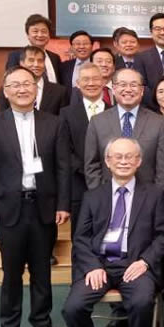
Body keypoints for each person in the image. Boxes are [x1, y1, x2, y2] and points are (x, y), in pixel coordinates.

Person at [0, 66, 69, 327]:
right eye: (15, 85)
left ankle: (41, 323)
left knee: (42, 270)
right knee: (11, 273)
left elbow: (63, 167)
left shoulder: (54, 123)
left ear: (36, 88)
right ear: (6, 92)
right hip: (8, 211)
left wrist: (63, 204)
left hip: (43, 208)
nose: (22, 89)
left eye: (27, 84)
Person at [62, 137, 164, 327]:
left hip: (135, 264)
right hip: (99, 265)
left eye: (129, 156)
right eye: (117, 157)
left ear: (139, 161)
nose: (123, 161)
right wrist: (92, 266)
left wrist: (145, 262)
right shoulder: (92, 196)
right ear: (108, 161)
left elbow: (162, 236)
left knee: (142, 302)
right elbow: (81, 238)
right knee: (73, 308)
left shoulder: (154, 195)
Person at [84, 68, 164, 205]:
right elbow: (92, 165)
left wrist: (157, 203)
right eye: (123, 84)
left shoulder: (160, 123)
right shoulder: (97, 122)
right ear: (114, 89)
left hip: (147, 202)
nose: (128, 89)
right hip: (107, 201)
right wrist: (100, 197)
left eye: (133, 85)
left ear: (142, 90)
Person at [59, 63, 112, 238]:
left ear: (103, 82)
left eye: (95, 79)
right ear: (77, 83)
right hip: (79, 185)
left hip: (110, 183)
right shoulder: (66, 114)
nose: (91, 83)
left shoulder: (115, 112)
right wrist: (89, 172)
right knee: (80, 238)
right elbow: (64, 150)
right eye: (86, 79)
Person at [0, 46, 70, 115]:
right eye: (31, 60)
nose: (36, 65)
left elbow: (62, 120)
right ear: (22, 63)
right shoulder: (9, 88)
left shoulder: (60, 91)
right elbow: (2, 118)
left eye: (40, 61)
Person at [5, 14, 62, 83]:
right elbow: (10, 82)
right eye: (35, 31)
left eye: (44, 31)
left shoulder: (55, 58)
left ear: (49, 35)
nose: (40, 35)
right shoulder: (16, 56)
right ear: (28, 35)